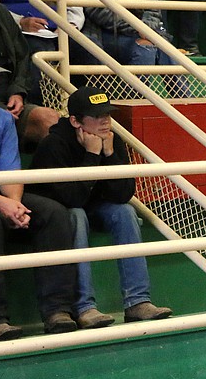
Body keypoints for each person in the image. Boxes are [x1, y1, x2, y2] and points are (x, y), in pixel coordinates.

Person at [29, 86, 173, 328]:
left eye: (107, 114)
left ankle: (138, 301)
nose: (105, 121)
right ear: (75, 121)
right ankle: (84, 307)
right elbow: (72, 199)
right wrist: (92, 156)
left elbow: (123, 194)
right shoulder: (54, 145)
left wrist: (110, 156)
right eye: (96, 116)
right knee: (76, 216)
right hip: (58, 214)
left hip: (92, 205)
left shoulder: (109, 139)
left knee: (125, 212)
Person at [0, 58, 78, 340]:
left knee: (53, 212)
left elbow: (10, 170)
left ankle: (57, 311)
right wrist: (1, 204)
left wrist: (14, 204)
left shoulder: (2, 117)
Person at [0, 0, 61, 150]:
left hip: (10, 101)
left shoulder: (1, 13)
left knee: (51, 121)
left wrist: (18, 93)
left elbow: (23, 57)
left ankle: (43, 180)